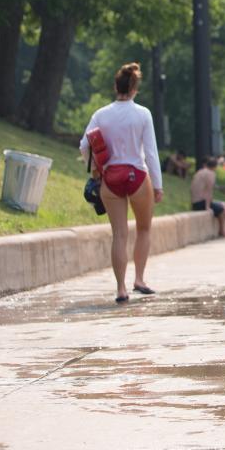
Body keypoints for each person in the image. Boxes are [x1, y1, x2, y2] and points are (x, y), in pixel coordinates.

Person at [80, 62, 163, 304]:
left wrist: (96, 168)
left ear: (116, 87)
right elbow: (151, 152)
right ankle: (139, 279)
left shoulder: (101, 114)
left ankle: (120, 289)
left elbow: (84, 145)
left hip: (111, 178)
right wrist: (157, 185)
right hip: (137, 176)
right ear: (135, 88)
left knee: (119, 234)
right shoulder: (143, 114)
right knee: (144, 228)